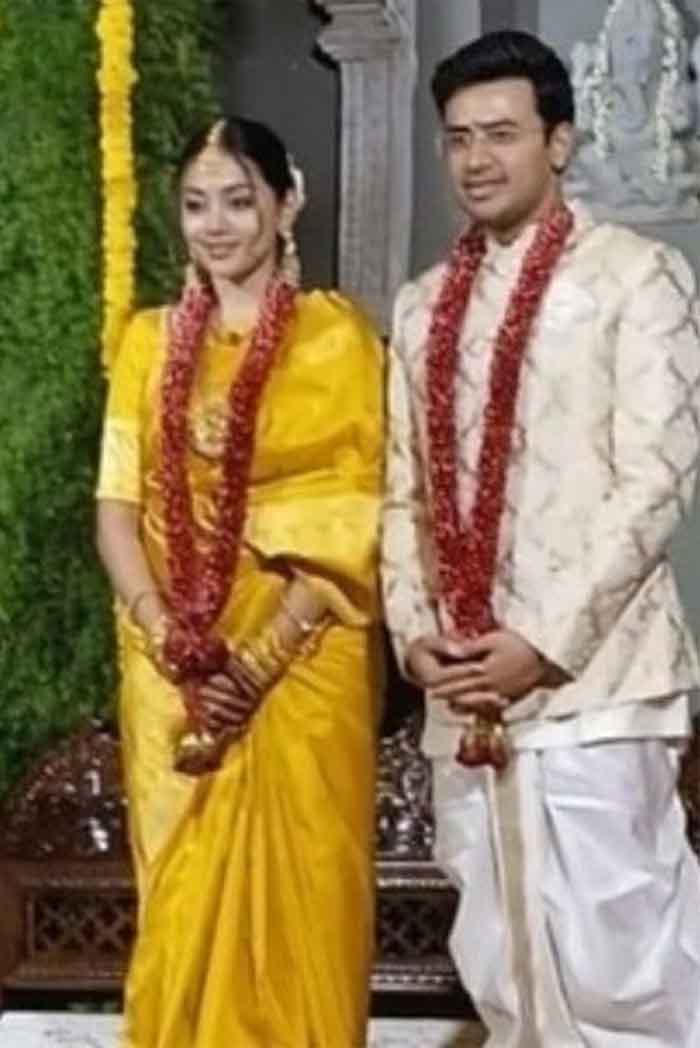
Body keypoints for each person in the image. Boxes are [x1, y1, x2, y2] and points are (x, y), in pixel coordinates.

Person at [382, 29, 700, 1047]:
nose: (476, 159)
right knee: (498, 947)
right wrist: (414, 637)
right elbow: (402, 495)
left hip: (598, 680)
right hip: (466, 689)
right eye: (458, 137)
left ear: (559, 142)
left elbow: (657, 477)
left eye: (502, 133)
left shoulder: (637, 278)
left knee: (623, 953)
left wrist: (543, 642)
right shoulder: (421, 307)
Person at [96, 115, 383, 1048]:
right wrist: (166, 634)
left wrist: (256, 664)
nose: (215, 225)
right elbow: (116, 509)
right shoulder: (146, 343)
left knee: (307, 893)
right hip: (172, 667)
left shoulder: (337, 339)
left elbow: (352, 517)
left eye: (237, 201)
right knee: (180, 902)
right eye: (195, 205)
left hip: (304, 655)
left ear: (286, 205)